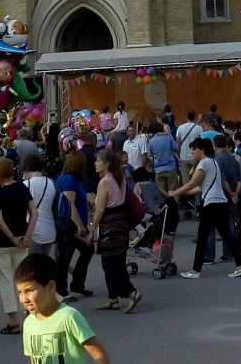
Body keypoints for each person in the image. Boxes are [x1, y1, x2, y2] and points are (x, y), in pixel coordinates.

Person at [15, 253, 116, 364]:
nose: (24, 299)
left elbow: (99, 355)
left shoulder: (69, 317)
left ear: (51, 287)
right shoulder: (29, 323)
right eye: (20, 292)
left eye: (29, 290)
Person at [172, 139, 241, 279]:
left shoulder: (203, 163)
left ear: (202, 150)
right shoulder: (214, 162)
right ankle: (240, 265)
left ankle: (195, 270)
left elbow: (193, 183)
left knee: (202, 238)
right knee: (226, 236)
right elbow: (212, 184)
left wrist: (176, 192)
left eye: (194, 149)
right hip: (220, 202)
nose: (192, 152)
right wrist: (230, 193)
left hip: (210, 204)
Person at [88, 150, 141, 312]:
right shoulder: (120, 179)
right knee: (117, 261)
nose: (95, 163)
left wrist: (92, 229)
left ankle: (131, 292)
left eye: (98, 161)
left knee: (110, 264)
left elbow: (100, 210)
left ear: (106, 164)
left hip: (109, 225)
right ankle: (113, 299)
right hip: (121, 222)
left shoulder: (104, 182)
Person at [0, 156, 36, 334]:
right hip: (22, 240)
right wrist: (27, 235)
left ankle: (13, 321)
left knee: (6, 281)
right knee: (25, 279)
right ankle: (30, 314)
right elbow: (34, 213)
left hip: (1, 242)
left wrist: (12, 238)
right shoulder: (22, 188)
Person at [54, 151, 94, 301]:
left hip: (70, 224)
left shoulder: (66, 178)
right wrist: (80, 226)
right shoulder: (69, 180)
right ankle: (62, 289)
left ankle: (75, 283)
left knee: (76, 253)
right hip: (70, 225)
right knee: (66, 256)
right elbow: (69, 204)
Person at [206, 134, 241, 261]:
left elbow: (222, 180)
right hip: (232, 194)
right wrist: (235, 193)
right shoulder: (234, 159)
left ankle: (209, 255)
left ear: (214, 145)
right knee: (230, 223)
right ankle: (228, 252)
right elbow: (239, 179)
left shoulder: (216, 160)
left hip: (220, 195)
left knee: (210, 225)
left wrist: (230, 192)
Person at [24, 156, 57, 258]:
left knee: (32, 264)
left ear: (28, 168)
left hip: (33, 231)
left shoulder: (26, 184)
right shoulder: (51, 183)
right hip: (50, 230)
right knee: (44, 264)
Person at [147, 124, 179, 197]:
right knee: (173, 193)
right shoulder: (168, 137)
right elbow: (176, 148)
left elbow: (150, 156)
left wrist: (154, 165)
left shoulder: (151, 141)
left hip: (158, 170)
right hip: (170, 167)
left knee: (162, 195)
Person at [174, 112, 202, 186]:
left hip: (183, 157)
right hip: (196, 158)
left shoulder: (180, 128)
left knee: (185, 182)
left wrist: (178, 157)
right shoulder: (199, 128)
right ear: (194, 117)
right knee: (196, 181)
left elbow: (178, 145)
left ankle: (187, 193)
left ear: (187, 116)